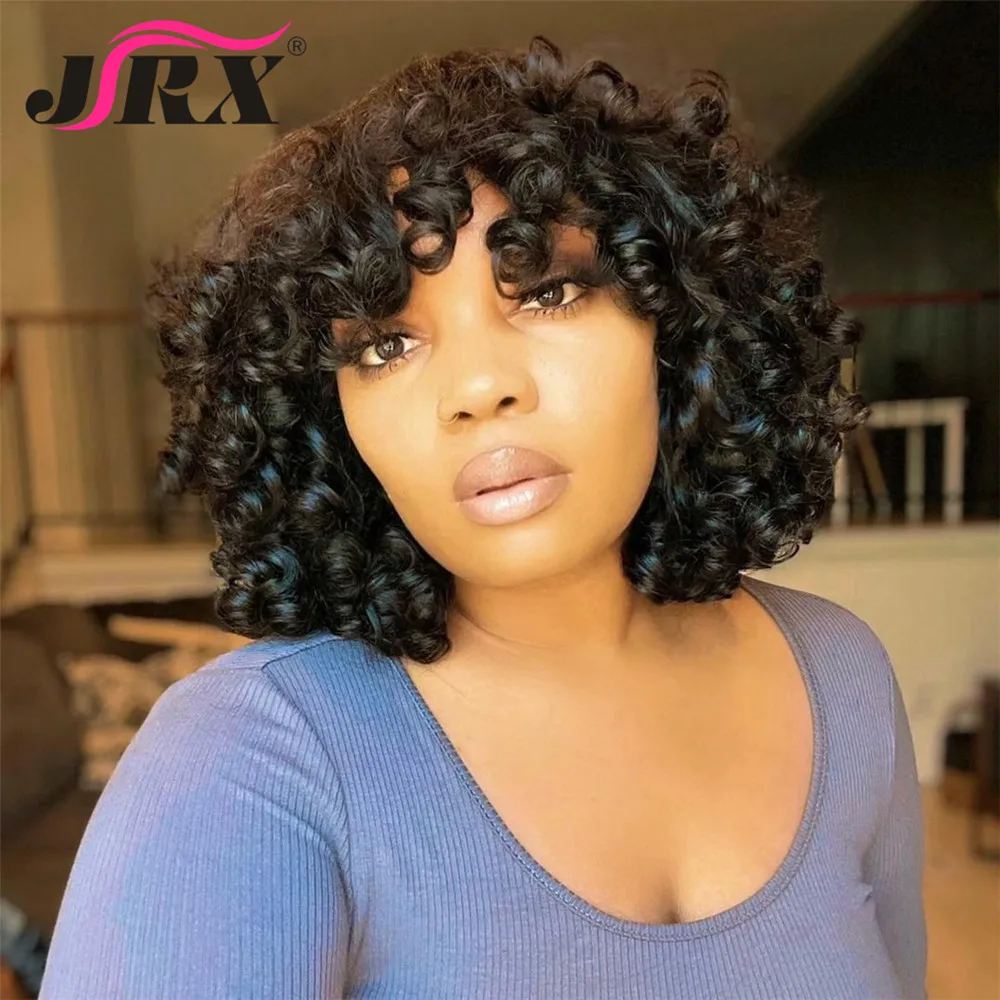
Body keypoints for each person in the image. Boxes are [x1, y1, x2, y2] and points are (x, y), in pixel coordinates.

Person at [38, 36, 927, 1000]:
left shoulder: (842, 676)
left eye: (546, 291)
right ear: (329, 421)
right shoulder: (246, 759)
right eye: (384, 346)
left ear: (676, 325)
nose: (477, 388)